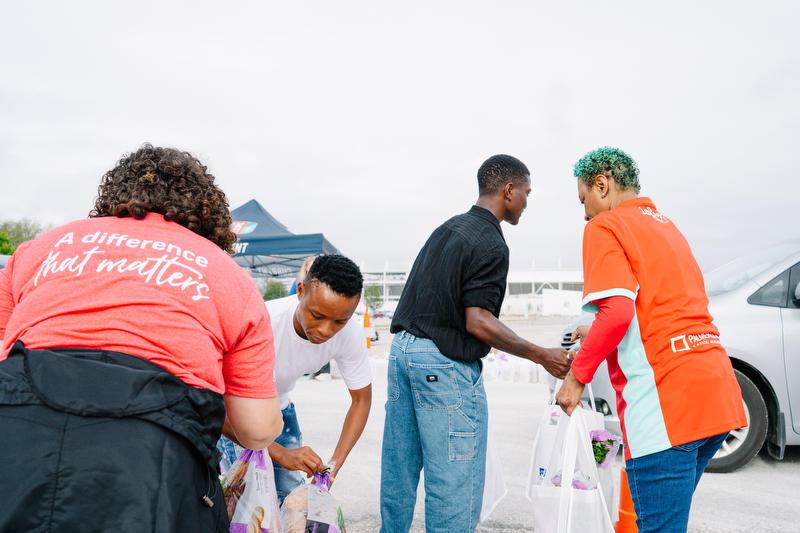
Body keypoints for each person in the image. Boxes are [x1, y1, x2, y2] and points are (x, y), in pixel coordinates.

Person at [0, 144, 283, 533]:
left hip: (15, 439)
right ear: (208, 213)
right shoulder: (228, 275)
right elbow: (256, 428)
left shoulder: (39, 249)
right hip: (150, 467)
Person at [555, 147, 747, 533]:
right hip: (717, 397)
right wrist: (595, 330)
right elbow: (652, 311)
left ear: (602, 185)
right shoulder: (666, 227)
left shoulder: (605, 227)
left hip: (666, 409)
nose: (585, 213)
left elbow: (618, 313)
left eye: (584, 200)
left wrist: (576, 379)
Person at [380, 154, 571, 533]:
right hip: (442, 363)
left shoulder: (447, 228)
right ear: (509, 191)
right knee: (453, 483)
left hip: (402, 353)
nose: (527, 203)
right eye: (527, 194)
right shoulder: (491, 242)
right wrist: (540, 354)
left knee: (399, 470)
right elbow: (478, 320)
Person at [218, 254, 372, 503]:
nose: (326, 330)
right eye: (317, 316)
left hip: (279, 407)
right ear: (301, 290)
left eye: (339, 321)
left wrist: (335, 463)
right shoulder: (262, 321)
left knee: (290, 499)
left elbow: (361, 401)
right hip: (234, 410)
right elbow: (214, 399)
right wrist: (279, 453)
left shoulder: (350, 333)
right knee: (240, 501)